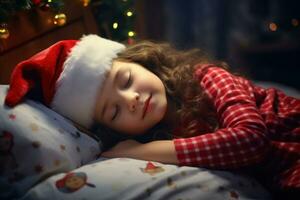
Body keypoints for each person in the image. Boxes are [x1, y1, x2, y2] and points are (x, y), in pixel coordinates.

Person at [4, 35, 300, 198]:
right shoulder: (157, 134)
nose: (131, 100)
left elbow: (251, 141)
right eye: (114, 111)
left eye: (127, 80)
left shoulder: (207, 78)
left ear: (142, 62)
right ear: (111, 129)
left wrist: (140, 151)